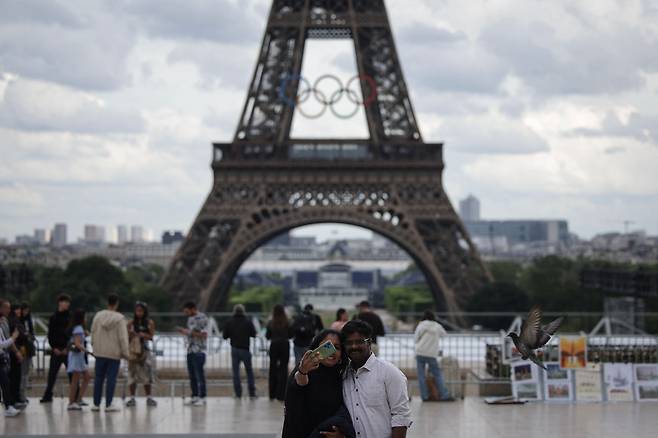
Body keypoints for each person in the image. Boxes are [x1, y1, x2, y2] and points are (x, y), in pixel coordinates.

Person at [342, 320, 412, 438]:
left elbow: (401, 416)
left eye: (359, 342)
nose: (354, 346)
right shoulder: (344, 375)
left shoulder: (390, 373)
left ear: (369, 342)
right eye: (349, 343)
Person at [282, 329, 355, 438]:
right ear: (316, 349)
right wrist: (303, 371)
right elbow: (298, 386)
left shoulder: (343, 376)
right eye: (327, 346)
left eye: (337, 347)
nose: (332, 351)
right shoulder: (304, 369)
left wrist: (342, 435)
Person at [90, 293, 129, 412]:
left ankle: (96, 404)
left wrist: (94, 346)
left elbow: (93, 332)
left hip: (100, 352)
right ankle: (108, 404)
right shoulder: (120, 318)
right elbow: (123, 337)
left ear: (107, 302)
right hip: (114, 353)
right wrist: (126, 353)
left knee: (98, 378)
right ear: (116, 303)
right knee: (111, 379)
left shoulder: (98, 316)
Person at [414, 310, 453, 402]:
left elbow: (415, 339)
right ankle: (444, 395)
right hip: (432, 354)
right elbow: (444, 335)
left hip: (420, 352)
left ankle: (424, 396)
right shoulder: (437, 326)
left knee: (421, 375)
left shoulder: (421, 325)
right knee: (437, 374)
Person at [41, 293, 72, 403]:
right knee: (52, 374)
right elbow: (50, 334)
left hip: (67, 350)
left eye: (68, 302)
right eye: (65, 302)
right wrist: (54, 348)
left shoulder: (70, 317)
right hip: (56, 350)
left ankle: (75, 396)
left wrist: (67, 348)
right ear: (60, 303)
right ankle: (48, 395)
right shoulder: (53, 317)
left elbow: (71, 335)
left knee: (72, 374)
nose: (67, 304)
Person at [126, 301, 157, 407]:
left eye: (141, 311)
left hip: (144, 351)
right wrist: (131, 335)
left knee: (146, 374)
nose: (139, 313)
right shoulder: (130, 323)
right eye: (137, 311)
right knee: (132, 374)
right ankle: (132, 398)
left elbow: (152, 336)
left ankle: (149, 397)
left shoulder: (149, 322)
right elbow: (126, 337)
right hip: (133, 351)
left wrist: (143, 335)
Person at [222, 304, 257, 399]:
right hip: (245, 349)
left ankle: (238, 394)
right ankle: (252, 393)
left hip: (234, 349)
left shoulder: (229, 322)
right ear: (243, 311)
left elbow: (225, 336)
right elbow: (254, 334)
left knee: (236, 373)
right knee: (249, 372)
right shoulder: (248, 322)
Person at [179, 301, 209, 405]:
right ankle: (195, 396)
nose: (186, 314)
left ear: (193, 309)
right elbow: (191, 333)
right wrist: (186, 333)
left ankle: (202, 397)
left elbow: (204, 334)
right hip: (190, 350)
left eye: (187, 311)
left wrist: (188, 332)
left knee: (199, 375)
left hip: (199, 350)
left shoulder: (202, 318)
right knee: (192, 375)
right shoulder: (190, 319)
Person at [265, 304, 292, 401]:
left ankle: (272, 393)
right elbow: (291, 335)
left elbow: (267, 336)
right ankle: (281, 394)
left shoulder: (271, 322)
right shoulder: (287, 322)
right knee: (283, 369)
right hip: (284, 345)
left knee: (273, 368)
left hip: (274, 345)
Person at [0, 298, 21, 417]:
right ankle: (8, 406)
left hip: (2, 357)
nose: (9, 310)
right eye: (6, 307)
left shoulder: (3, 323)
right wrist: (13, 337)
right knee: (5, 382)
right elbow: (2, 344)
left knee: (5, 382)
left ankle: (9, 406)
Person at [66, 309, 90, 411]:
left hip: (77, 356)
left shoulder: (77, 328)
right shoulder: (79, 329)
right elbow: (77, 343)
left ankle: (78, 399)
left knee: (86, 377)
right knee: (75, 380)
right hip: (77, 356)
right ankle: (72, 402)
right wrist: (87, 351)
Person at [7, 304, 25, 409]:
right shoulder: (14, 321)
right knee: (15, 376)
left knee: (15, 376)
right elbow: (15, 337)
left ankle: (15, 399)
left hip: (15, 350)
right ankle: (14, 399)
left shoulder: (13, 320)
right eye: (17, 309)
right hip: (14, 350)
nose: (19, 311)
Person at [18, 302, 36, 406]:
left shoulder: (29, 321)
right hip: (22, 348)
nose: (25, 312)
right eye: (24, 310)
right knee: (22, 373)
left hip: (28, 349)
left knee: (26, 373)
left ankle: (23, 394)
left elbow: (31, 334)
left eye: (27, 311)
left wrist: (30, 336)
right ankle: (21, 395)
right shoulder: (18, 322)